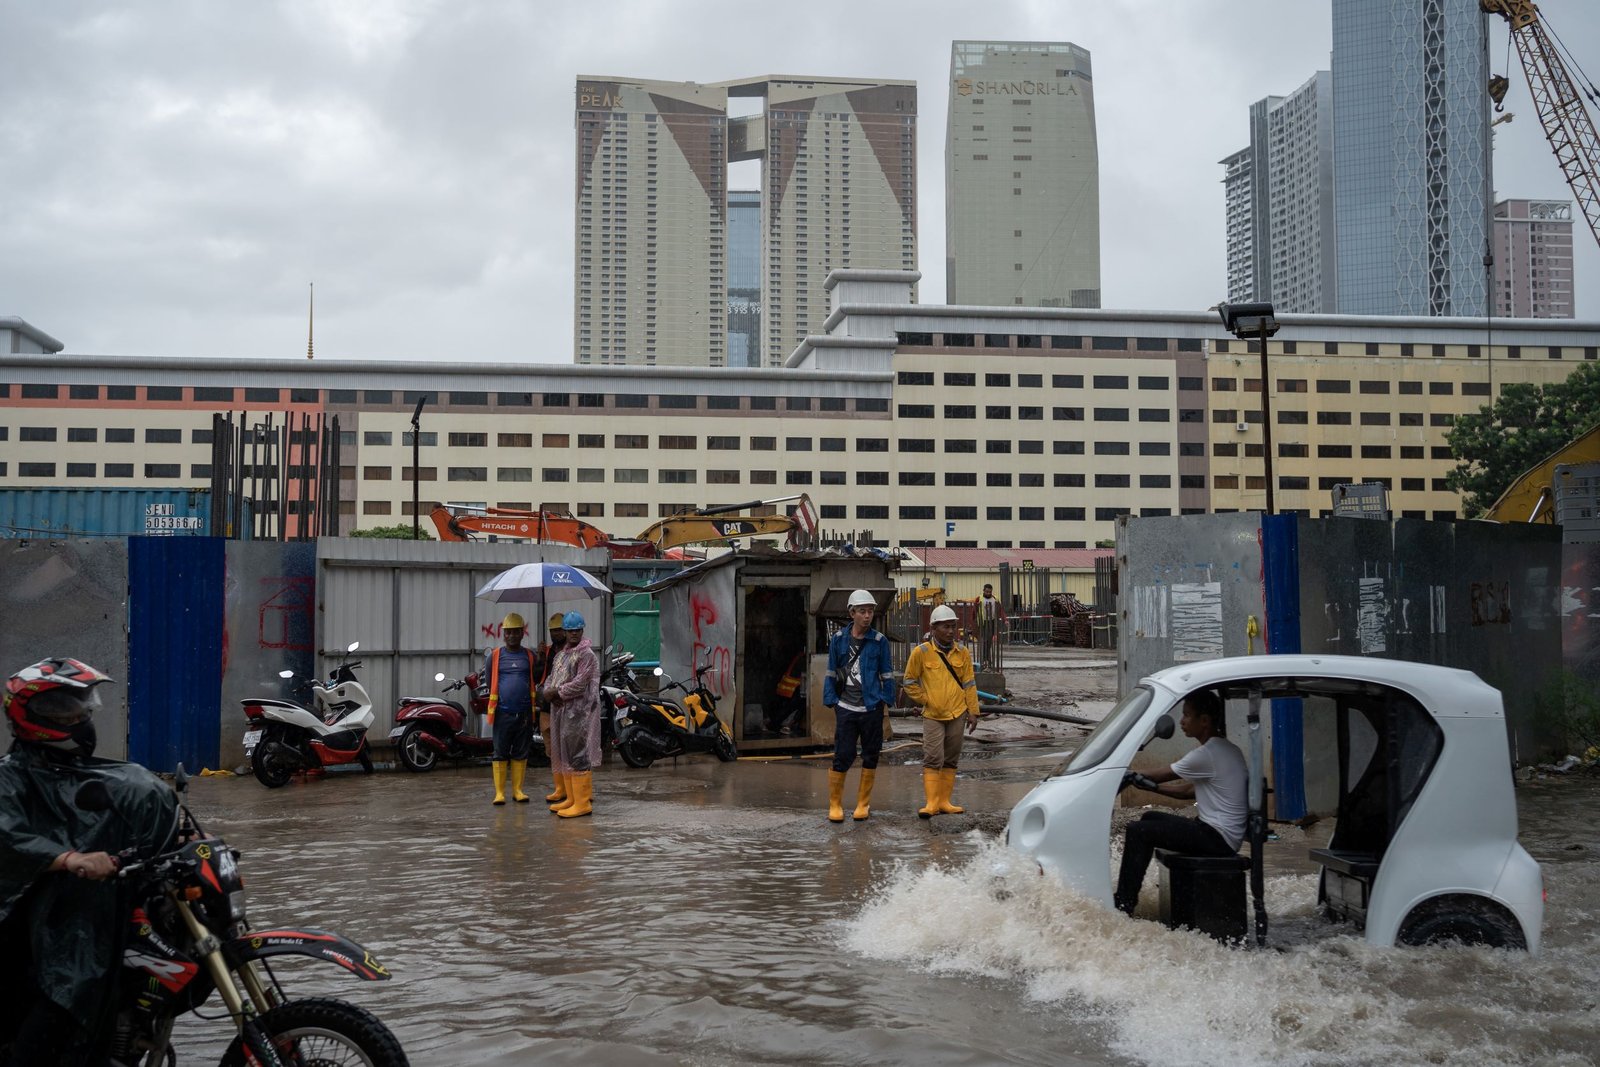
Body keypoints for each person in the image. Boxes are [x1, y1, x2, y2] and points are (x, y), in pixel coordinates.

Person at [0, 658, 178, 1066]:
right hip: (35, 941)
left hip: (83, 925)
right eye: (66, 709)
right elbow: (8, 838)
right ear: (30, 716)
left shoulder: (85, 773)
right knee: (62, 998)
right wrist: (69, 859)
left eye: (82, 706)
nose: (79, 717)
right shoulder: (10, 778)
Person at [1113, 690, 1247, 916]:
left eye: (1186, 715)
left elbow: (1162, 774)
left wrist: (1125, 775)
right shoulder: (1225, 749)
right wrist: (1152, 788)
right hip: (1221, 835)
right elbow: (1188, 791)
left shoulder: (1207, 754)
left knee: (1139, 831)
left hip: (1218, 838)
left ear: (1204, 721)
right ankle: (1127, 897)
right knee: (1149, 817)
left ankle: (1124, 904)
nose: (1181, 722)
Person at [822, 589, 896, 822]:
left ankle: (862, 805)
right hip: (846, 706)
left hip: (871, 707)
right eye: (862, 611)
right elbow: (831, 671)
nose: (867, 615)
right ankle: (835, 805)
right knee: (843, 755)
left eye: (870, 611)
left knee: (871, 754)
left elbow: (887, 673)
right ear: (852, 613)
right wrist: (832, 700)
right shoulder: (839, 639)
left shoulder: (879, 641)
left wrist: (886, 699)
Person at [902, 604, 981, 819]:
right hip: (933, 715)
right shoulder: (922, 652)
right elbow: (909, 681)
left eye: (953, 627)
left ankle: (944, 802)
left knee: (951, 758)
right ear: (934, 628)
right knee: (933, 757)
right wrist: (925, 699)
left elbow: (969, 683)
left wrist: (973, 711)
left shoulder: (962, 652)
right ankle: (931, 803)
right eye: (946, 627)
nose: (950, 631)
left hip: (958, 713)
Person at [541, 611, 601, 819]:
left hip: (579, 712)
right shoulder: (561, 655)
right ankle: (571, 798)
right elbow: (551, 678)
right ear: (565, 632)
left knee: (577, 755)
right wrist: (548, 692)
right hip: (561, 711)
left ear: (582, 630)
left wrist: (556, 692)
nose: (574, 634)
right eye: (570, 630)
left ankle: (582, 803)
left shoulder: (587, 655)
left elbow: (580, 683)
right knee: (563, 752)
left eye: (577, 630)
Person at [483, 612, 539, 805]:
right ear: (503, 634)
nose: (512, 636)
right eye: (509, 632)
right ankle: (499, 793)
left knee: (521, 751)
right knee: (500, 752)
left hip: (524, 713)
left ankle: (518, 790)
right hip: (502, 713)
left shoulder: (530, 656)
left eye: (516, 632)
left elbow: (537, 678)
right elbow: (490, 682)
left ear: (522, 633)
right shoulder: (495, 657)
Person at [537, 612, 569, 805]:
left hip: (566, 706)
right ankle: (560, 789)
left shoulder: (572, 651)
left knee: (569, 748)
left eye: (559, 630)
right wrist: (540, 657)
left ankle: (574, 790)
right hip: (547, 707)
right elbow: (537, 676)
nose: (555, 633)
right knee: (552, 749)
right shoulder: (548, 652)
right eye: (552, 630)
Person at [973, 583, 1005, 669]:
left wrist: (1005, 619)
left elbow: (1000, 609)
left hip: (992, 622)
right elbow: (974, 611)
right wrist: (973, 623)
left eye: (990, 592)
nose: (988, 593)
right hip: (982, 622)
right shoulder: (978, 599)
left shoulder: (995, 599)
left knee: (989, 642)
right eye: (986, 591)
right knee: (983, 641)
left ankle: (987, 659)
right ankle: (983, 660)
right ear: (983, 590)